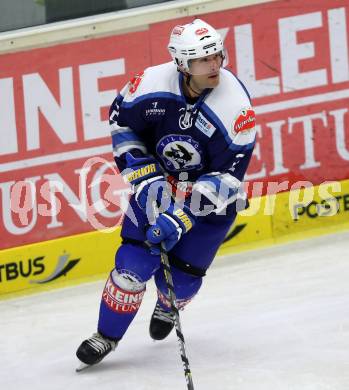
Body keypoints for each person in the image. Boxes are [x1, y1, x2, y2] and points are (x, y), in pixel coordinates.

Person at [76, 18, 256, 367]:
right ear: (182, 64)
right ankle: (106, 336)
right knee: (131, 267)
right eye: (204, 60)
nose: (215, 65)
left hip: (211, 203)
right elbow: (122, 124)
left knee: (183, 281)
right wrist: (145, 179)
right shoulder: (149, 84)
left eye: (218, 55)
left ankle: (167, 304)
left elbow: (228, 177)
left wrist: (182, 216)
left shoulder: (236, 108)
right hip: (160, 186)